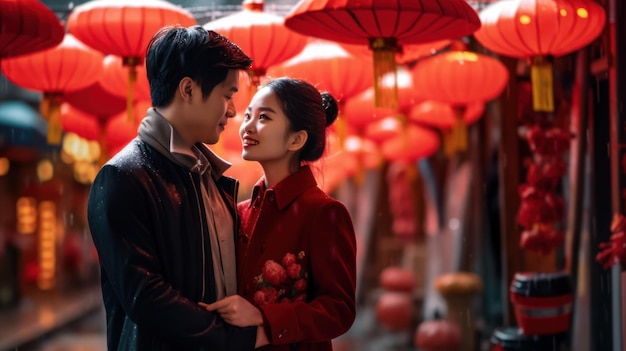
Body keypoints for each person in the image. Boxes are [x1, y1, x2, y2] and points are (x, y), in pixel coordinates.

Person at [87, 25, 268, 350]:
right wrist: (241, 339)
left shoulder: (210, 178)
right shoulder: (123, 176)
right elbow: (147, 298)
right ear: (188, 89)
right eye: (227, 95)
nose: (231, 110)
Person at [200, 77, 357, 351]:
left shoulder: (324, 213)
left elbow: (339, 309)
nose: (247, 125)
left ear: (296, 139)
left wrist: (265, 321)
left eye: (264, 117)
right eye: (248, 115)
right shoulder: (238, 212)